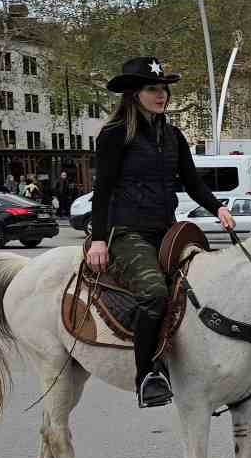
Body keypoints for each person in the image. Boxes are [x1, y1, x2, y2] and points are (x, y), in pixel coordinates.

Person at [86, 56, 235, 408]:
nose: (161, 94)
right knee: (154, 293)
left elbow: (192, 181)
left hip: (166, 230)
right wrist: (98, 239)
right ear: (133, 93)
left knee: (209, 283)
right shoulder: (114, 135)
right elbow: (103, 189)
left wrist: (218, 207)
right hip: (126, 232)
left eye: (163, 88)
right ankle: (148, 374)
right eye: (153, 88)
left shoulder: (172, 135)